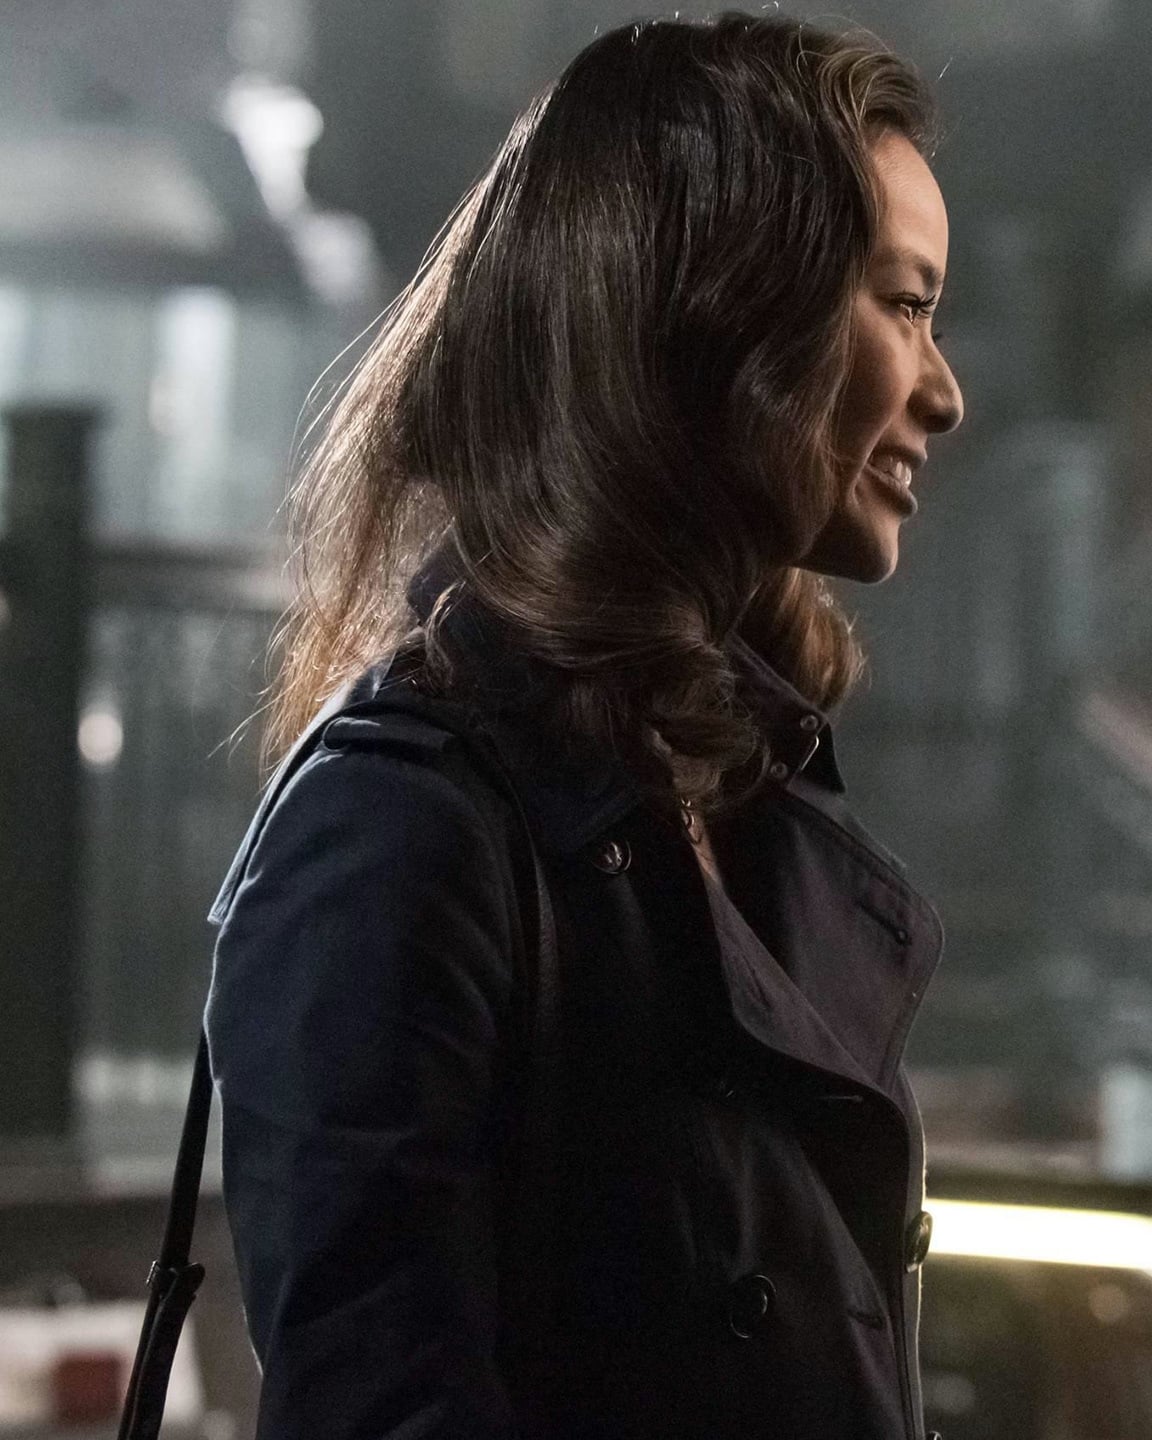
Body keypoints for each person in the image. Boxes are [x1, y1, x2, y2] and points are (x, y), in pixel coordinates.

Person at [205, 14, 962, 1438]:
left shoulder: (733, 791)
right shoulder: (400, 823)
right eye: (905, 305)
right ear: (720, 313)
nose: (945, 390)